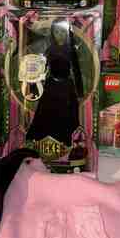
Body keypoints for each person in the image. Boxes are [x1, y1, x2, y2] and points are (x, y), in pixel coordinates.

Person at [25, 19, 84, 147]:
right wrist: (34, 88)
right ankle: (43, 139)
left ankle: (66, 141)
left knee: (67, 115)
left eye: (62, 32)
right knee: (46, 113)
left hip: (67, 86)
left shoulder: (71, 50)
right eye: (56, 32)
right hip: (51, 85)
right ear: (52, 33)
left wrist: (80, 92)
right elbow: (41, 69)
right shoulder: (50, 49)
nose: (60, 35)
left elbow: (77, 71)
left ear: (67, 33)